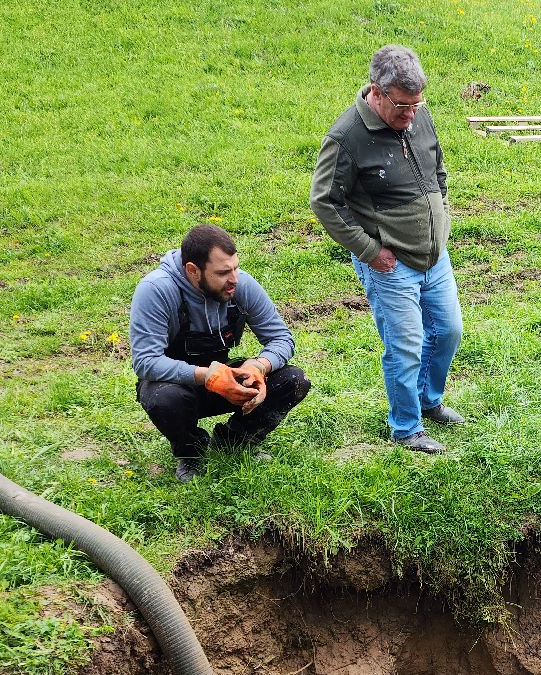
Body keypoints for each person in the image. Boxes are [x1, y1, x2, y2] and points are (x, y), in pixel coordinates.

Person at [311, 44, 464, 455]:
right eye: (402, 106)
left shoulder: (417, 113)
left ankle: (429, 401)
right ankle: (406, 427)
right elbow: (324, 201)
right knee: (405, 345)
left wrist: (441, 212)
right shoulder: (346, 137)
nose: (411, 115)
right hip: (390, 263)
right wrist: (369, 251)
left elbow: (437, 166)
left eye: (417, 104)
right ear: (377, 92)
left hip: (435, 255)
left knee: (448, 331)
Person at [130, 224, 310, 482]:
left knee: (293, 381)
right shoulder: (156, 290)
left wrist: (259, 366)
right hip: (176, 386)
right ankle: (190, 453)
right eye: (223, 272)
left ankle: (235, 441)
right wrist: (208, 376)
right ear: (193, 270)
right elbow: (146, 362)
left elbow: (281, 338)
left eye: (236, 267)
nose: (234, 278)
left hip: (225, 380)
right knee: (164, 399)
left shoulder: (240, 285)